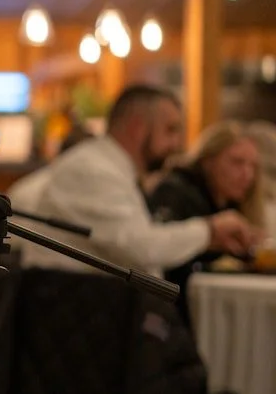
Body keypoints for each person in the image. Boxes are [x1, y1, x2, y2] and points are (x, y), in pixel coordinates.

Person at [19, 84, 259, 276]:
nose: (177, 145)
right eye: (170, 130)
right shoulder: (92, 170)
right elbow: (139, 248)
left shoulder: (110, 168)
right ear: (137, 128)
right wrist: (209, 231)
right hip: (74, 316)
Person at [148, 121, 266, 303]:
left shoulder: (231, 204)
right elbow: (160, 254)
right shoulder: (174, 191)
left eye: (252, 166)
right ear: (208, 161)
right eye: (237, 162)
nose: (247, 174)